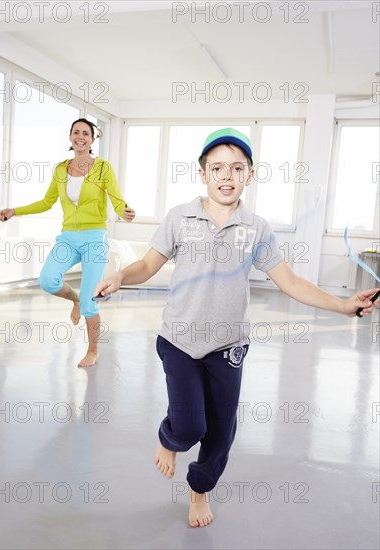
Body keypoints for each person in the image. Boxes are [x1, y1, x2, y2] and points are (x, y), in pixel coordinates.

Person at [93, 127, 379, 527]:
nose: (226, 176)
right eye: (217, 168)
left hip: (228, 347)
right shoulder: (180, 217)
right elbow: (148, 265)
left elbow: (290, 282)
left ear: (250, 174)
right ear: (203, 174)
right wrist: (123, 276)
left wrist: (342, 305)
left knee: (221, 432)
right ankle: (170, 437)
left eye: (236, 168)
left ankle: (199, 490)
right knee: (191, 423)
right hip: (179, 340)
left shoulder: (257, 228)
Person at [0, 118, 135, 367]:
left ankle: (92, 350)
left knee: (91, 303)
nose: (80, 136)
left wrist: (125, 211)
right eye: (76, 132)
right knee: (48, 280)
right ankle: (76, 300)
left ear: (92, 140)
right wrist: (13, 210)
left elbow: (116, 200)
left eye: (86, 133)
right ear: (70, 137)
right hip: (69, 237)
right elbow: (46, 202)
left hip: (94, 237)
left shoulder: (103, 168)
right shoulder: (61, 169)